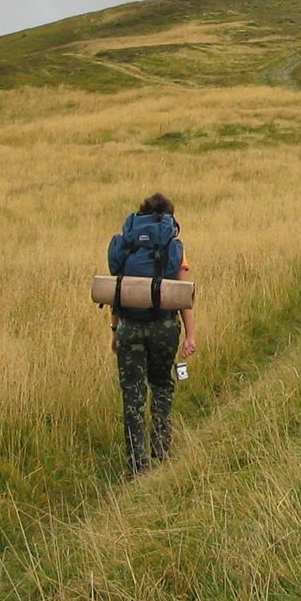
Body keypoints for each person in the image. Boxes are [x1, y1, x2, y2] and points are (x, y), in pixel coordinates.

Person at [106, 192, 197, 475]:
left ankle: (137, 464)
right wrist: (190, 335)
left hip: (129, 327)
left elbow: (118, 292)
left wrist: (114, 330)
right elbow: (183, 295)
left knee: (132, 396)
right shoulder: (172, 245)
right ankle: (161, 449)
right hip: (164, 326)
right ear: (168, 216)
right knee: (162, 384)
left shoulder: (128, 243)